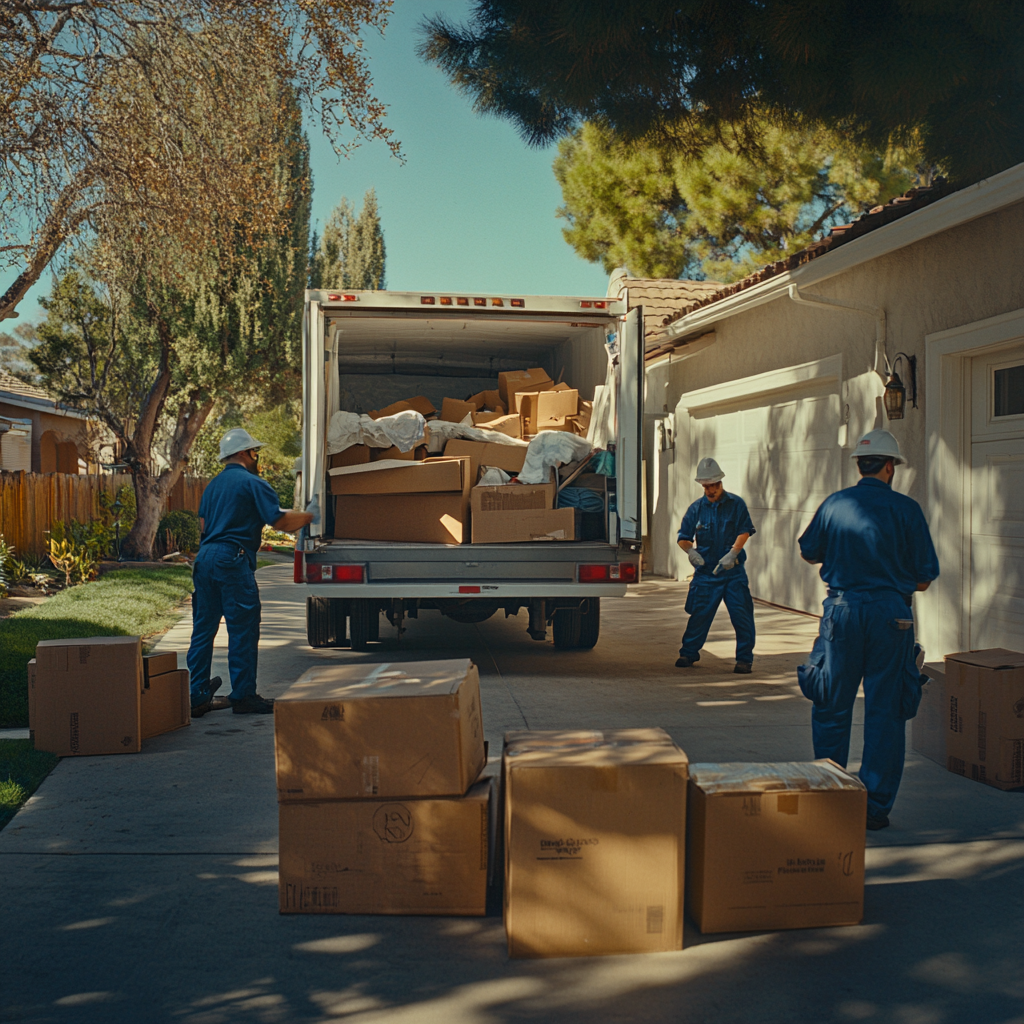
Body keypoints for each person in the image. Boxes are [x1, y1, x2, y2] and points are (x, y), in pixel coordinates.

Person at [797, 429, 939, 830]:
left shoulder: (835, 504)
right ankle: (874, 809)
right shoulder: (907, 510)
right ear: (890, 467)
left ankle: (829, 796)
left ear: (860, 465)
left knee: (831, 705)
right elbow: (925, 579)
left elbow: (809, 552)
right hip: (891, 617)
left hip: (842, 612)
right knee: (886, 711)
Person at [187, 428, 313, 716]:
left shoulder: (213, 486)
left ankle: (197, 694)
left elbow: (204, 527)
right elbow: (279, 521)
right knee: (242, 628)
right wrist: (310, 515)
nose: (257, 457)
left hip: (204, 558)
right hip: (232, 558)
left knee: (203, 629)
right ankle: (243, 696)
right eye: (255, 452)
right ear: (245, 453)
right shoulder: (253, 483)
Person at [675, 457, 756, 673]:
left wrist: (734, 553)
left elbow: (744, 530)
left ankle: (744, 659)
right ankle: (688, 653)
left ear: (720, 483)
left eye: (714, 486)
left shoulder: (736, 504)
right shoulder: (696, 509)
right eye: (706, 487)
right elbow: (683, 537)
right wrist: (690, 551)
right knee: (700, 615)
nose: (710, 490)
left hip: (733, 573)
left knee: (742, 615)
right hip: (706, 573)